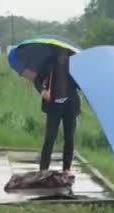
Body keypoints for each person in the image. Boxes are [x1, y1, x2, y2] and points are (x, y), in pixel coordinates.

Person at [34, 49, 80, 178]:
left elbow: (81, 84)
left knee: (69, 138)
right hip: (53, 105)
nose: (63, 55)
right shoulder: (49, 63)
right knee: (50, 138)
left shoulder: (75, 63)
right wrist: (43, 91)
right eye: (61, 52)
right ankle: (43, 169)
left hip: (69, 105)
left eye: (65, 53)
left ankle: (66, 168)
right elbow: (37, 80)